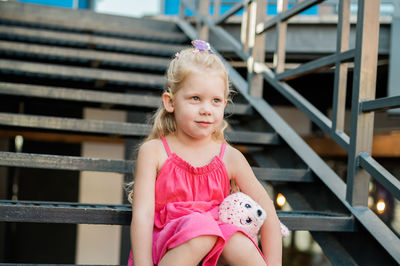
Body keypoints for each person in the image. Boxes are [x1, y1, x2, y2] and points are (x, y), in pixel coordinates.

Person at [128, 40, 282, 266]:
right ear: (170, 102)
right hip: (170, 248)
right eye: (195, 98)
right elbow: (142, 216)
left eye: (216, 101)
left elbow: (266, 209)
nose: (206, 110)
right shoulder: (154, 152)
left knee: (237, 239)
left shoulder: (230, 157)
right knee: (202, 230)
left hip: (215, 242)